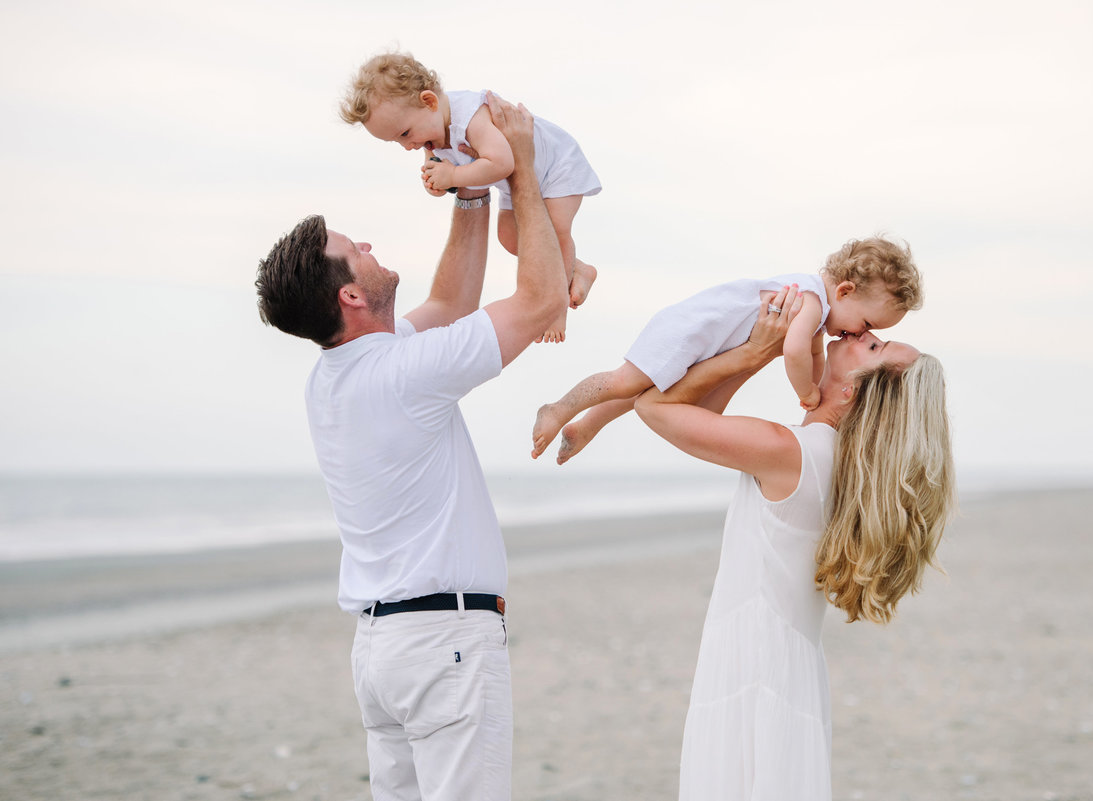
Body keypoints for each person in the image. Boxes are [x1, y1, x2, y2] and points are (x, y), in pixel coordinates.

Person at [254, 95, 564, 801]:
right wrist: (519, 168)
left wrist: (471, 190)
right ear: (351, 301)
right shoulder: (401, 374)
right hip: (442, 643)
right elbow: (542, 302)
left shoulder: (337, 376)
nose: (366, 244)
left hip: (384, 652)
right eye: (352, 250)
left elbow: (452, 307)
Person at [634, 285, 956, 800]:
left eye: (874, 348)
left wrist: (756, 351)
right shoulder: (839, 470)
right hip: (787, 671)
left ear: (851, 391)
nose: (867, 332)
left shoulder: (792, 452)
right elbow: (693, 415)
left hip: (752, 668)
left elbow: (655, 406)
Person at [532, 236, 922, 464]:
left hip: (708, 344)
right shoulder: (811, 302)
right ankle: (561, 407)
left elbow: (814, 355)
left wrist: (817, 384)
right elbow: (795, 352)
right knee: (626, 380)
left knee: (644, 389)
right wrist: (806, 392)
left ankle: (587, 425)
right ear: (846, 292)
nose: (856, 334)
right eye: (867, 327)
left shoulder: (817, 312)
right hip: (690, 331)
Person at [339, 50, 601, 344]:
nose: (407, 145)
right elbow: (444, 171)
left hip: (555, 166)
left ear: (429, 101)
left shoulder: (470, 118)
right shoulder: (432, 131)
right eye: (397, 141)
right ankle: (578, 268)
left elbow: (502, 163)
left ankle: (556, 311)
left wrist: (453, 176)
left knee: (556, 232)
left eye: (405, 133)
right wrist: (437, 183)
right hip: (517, 183)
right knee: (509, 237)